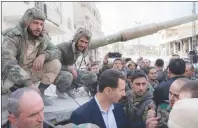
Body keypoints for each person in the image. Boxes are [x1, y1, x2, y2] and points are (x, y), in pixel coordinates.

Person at [1, 8, 67, 106]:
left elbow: (57, 51)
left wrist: (44, 55)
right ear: (27, 22)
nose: (39, 27)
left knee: (55, 63)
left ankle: (39, 93)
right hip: (14, 75)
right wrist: (28, 84)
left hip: (31, 72)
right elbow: (7, 62)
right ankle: (21, 93)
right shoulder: (13, 36)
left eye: (41, 24)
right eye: (35, 23)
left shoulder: (43, 38)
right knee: (12, 105)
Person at [70, 69, 155, 128]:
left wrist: (145, 125)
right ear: (108, 91)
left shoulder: (118, 108)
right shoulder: (80, 116)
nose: (124, 94)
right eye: (121, 90)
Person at [57, 28, 97, 97]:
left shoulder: (81, 49)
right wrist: (69, 68)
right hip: (56, 73)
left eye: (86, 43)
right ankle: (60, 89)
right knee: (68, 76)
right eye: (81, 41)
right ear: (76, 40)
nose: (83, 45)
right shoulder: (63, 47)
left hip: (68, 72)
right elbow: (51, 66)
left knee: (92, 76)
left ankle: (69, 88)